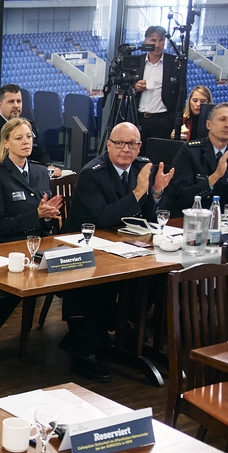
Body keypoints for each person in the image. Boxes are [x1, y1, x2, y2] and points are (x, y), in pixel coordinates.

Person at [61, 122, 174, 381]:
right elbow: (101, 218)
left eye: (133, 144)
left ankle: (123, 332)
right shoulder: (93, 173)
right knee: (94, 280)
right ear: (109, 145)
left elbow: (147, 216)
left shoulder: (143, 166)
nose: (126, 149)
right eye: (120, 143)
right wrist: (137, 193)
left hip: (125, 243)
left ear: (140, 146)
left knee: (159, 274)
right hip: (84, 244)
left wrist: (155, 192)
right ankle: (86, 349)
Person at [0, 117, 62, 245]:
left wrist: (47, 217)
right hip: (9, 245)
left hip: (40, 243)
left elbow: (47, 226)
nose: (26, 142)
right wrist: (36, 215)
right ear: (6, 143)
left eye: (29, 137)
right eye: (19, 138)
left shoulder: (41, 172)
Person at [167, 102, 228, 217]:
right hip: (191, 219)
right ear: (208, 125)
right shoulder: (189, 151)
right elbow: (181, 196)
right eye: (222, 119)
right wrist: (215, 176)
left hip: (225, 222)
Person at [0, 84, 59, 172]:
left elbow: (39, 153)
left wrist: (50, 167)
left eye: (19, 101)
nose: (16, 106)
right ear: (0, 105)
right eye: (11, 102)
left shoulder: (28, 125)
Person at [134, 25, 183, 141]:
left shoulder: (174, 63)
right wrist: (135, 87)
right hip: (139, 119)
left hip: (163, 120)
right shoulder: (137, 62)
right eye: (153, 40)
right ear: (145, 41)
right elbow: (126, 87)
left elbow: (180, 92)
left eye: (161, 40)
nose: (157, 45)